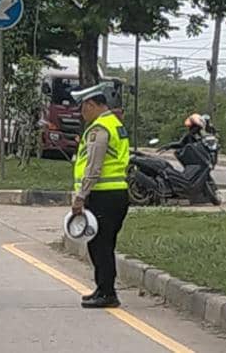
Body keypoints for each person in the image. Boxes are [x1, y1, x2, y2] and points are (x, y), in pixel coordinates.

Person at [70, 81, 130, 309]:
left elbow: (93, 167)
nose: (81, 113)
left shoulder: (99, 129)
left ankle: (107, 292)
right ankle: (102, 288)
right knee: (103, 243)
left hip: (103, 195)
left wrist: (80, 196)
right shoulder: (115, 124)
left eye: (82, 108)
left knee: (100, 245)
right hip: (115, 194)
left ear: (92, 104)